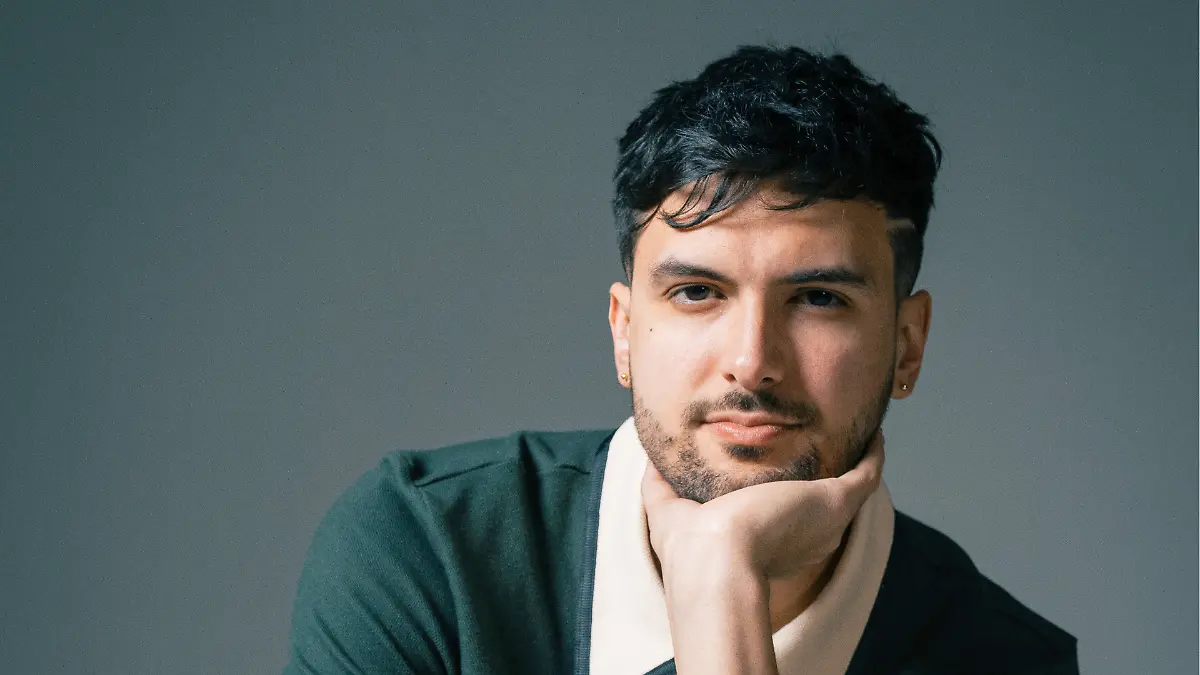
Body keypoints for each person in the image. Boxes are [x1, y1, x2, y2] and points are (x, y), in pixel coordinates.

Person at [283, 45, 1078, 675]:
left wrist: (716, 591)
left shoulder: (1004, 658)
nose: (752, 362)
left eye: (818, 298)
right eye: (697, 292)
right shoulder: (424, 550)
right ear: (624, 332)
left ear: (907, 344)